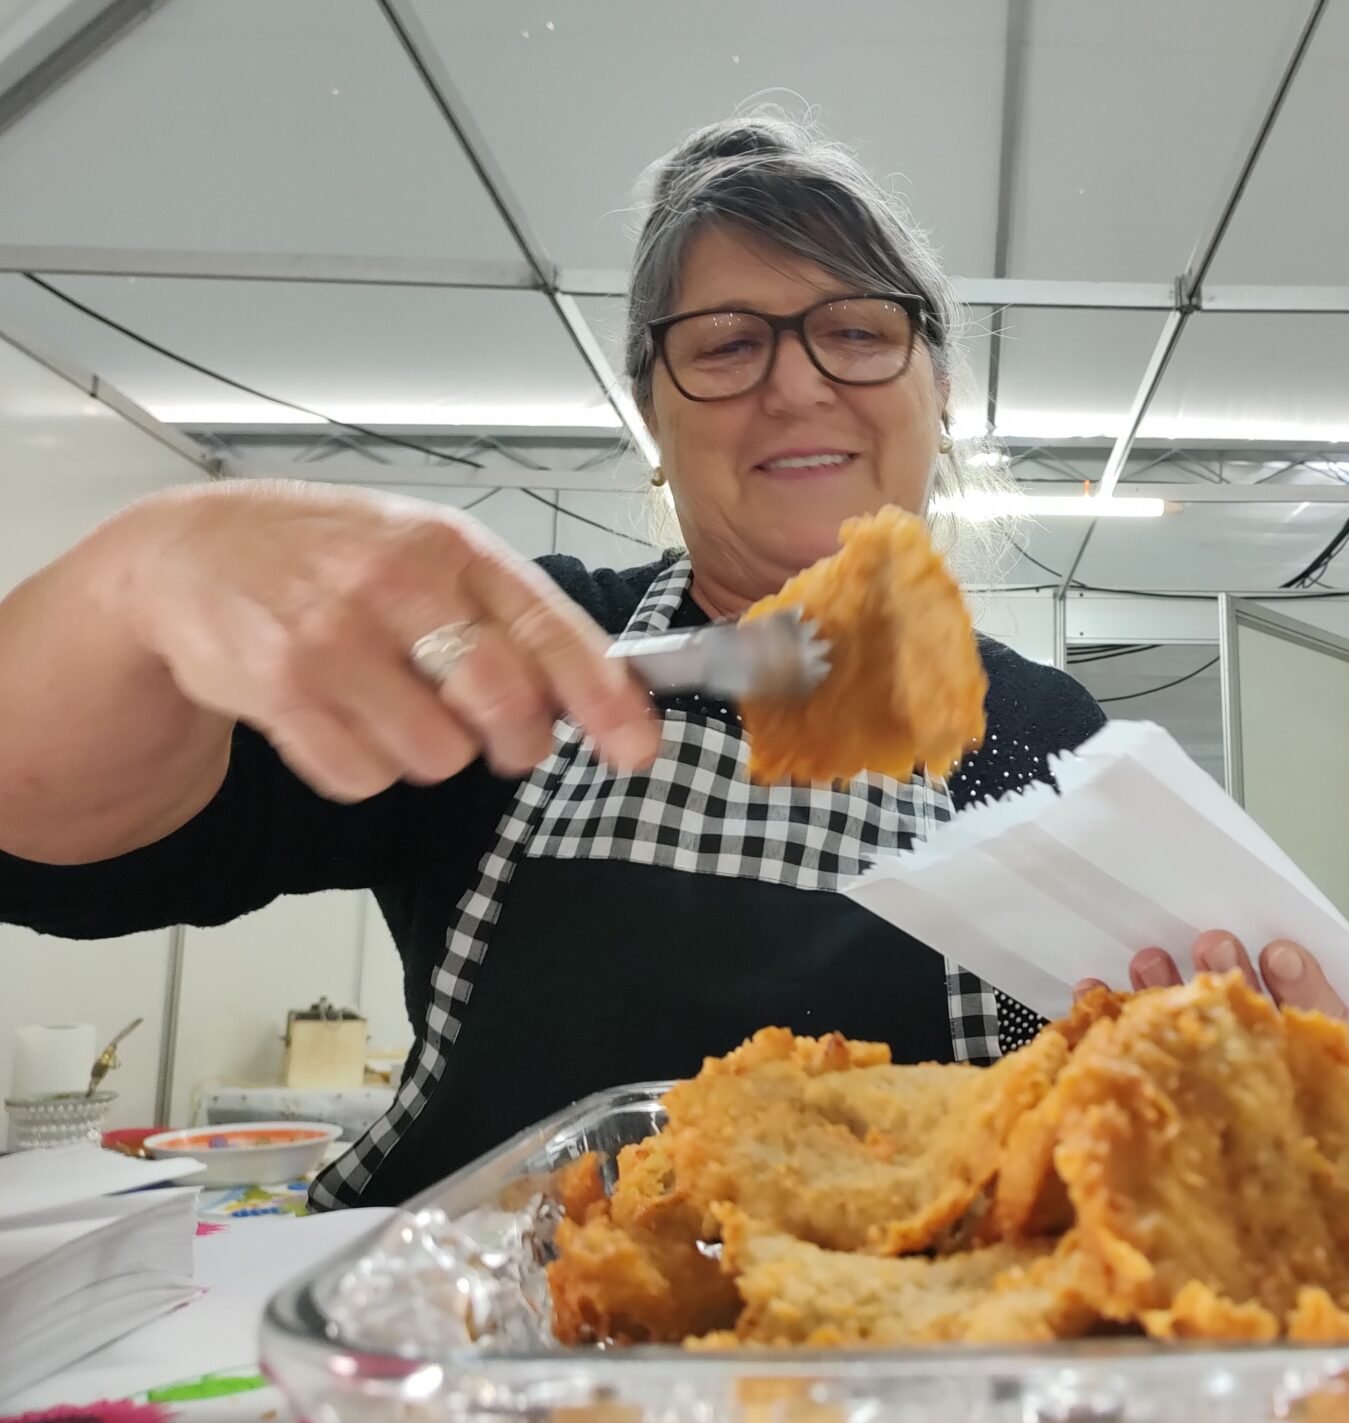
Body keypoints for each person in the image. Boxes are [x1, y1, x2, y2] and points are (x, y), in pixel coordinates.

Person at [0, 116, 1124, 1207]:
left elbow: (1081, 1115)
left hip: (898, 1379)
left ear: (940, 390)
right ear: (653, 415)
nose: (796, 386)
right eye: (727, 346)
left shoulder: (1048, 736)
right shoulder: (521, 643)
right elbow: (48, 828)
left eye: (862, 332)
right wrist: (134, 580)